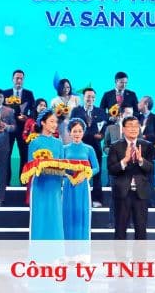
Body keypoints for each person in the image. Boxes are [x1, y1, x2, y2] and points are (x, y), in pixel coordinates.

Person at [107, 116, 153, 239]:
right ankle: (120, 253)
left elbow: (151, 169)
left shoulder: (147, 145)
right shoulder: (115, 146)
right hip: (122, 193)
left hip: (141, 193)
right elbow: (111, 170)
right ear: (123, 129)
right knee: (120, 229)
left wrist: (141, 160)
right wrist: (124, 161)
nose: (133, 129)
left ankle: (140, 253)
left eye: (136, 126)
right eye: (130, 126)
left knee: (141, 230)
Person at [27, 109, 65, 239]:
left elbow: (62, 164)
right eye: (52, 121)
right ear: (43, 123)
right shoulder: (35, 142)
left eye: (56, 122)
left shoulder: (59, 143)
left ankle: (56, 250)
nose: (55, 125)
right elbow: (30, 166)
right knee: (40, 217)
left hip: (55, 185)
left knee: (55, 217)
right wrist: (42, 166)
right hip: (40, 185)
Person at [63, 118, 100, 240]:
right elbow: (60, 167)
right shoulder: (65, 149)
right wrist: (68, 174)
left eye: (80, 131)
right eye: (74, 131)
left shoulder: (89, 149)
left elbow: (96, 168)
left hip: (83, 185)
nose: (77, 134)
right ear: (70, 132)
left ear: (83, 132)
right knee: (68, 213)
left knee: (81, 213)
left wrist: (85, 174)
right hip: (68, 185)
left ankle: (81, 245)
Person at [70, 88, 107, 207]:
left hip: (95, 146)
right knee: (78, 171)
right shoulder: (76, 111)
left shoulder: (100, 111)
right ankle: (77, 198)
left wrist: (101, 135)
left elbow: (104, 127)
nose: (90, 99)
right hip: (80, 146)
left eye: (93, 97)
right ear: (83, 97)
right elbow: (72, 126)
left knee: (96, 172)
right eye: (88, 96)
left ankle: (97, 199)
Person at [3, 69, 36, 186]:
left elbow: (33, 110)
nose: (19, 80)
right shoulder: (5, 93)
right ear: (12, 79)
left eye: (21, 78)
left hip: (23, 129)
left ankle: (23, 182)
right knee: (6, 155)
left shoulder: (29, 94)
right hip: (8, 128)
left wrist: (27, 118)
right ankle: (6, 182)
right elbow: (0, 110)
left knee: (24, 154)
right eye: (17, 78)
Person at [50, 78, 81, 144]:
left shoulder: (76, 99)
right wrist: (59, 117)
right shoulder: (54, 101)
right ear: (60, 88)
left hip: (73, 125)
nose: (66, 89)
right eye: (64, 87)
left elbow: (79, 113)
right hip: (60, 125)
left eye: (68, 87)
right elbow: (52, 116)